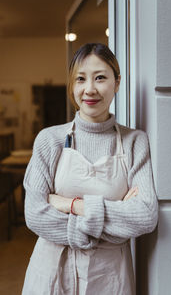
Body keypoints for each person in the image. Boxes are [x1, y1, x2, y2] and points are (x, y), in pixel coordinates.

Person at [22, 43, 158, 295]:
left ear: (117, 83)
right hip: (52, 273)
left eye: (100, 78)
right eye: (80, 79)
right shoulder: (49, 140)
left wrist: (72, 205)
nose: (90, 89)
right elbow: (35, 215)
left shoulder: (135, 142)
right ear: (72, 85)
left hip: (109, 277)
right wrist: (115, 220)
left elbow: (145, 216)